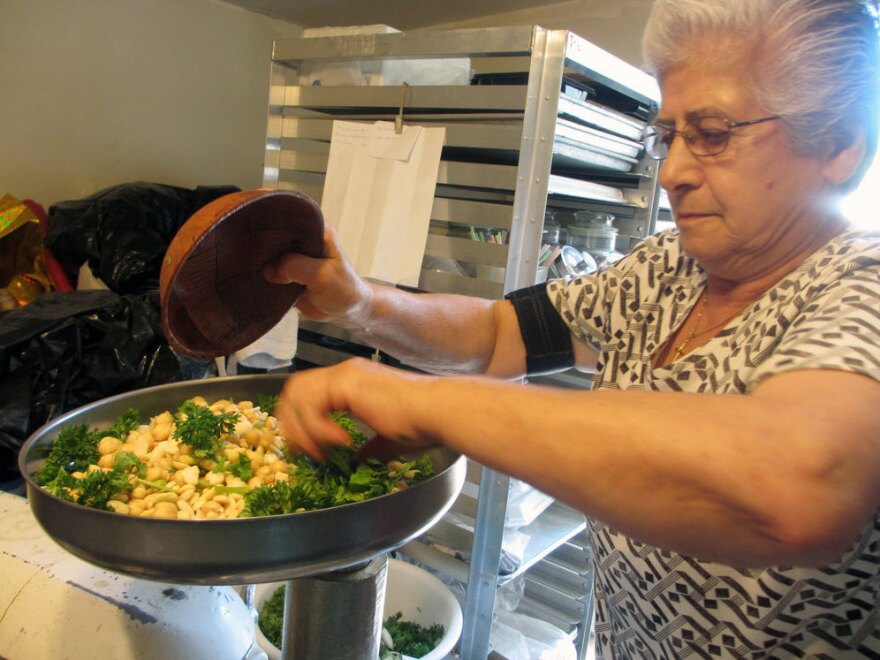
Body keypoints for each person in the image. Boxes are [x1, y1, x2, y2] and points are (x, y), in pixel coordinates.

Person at [264, 0, 880, 655]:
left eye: (714, 131)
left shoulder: (859, 281)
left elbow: (800, 484)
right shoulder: (665, 269)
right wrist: (362, 303)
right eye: (668, 136)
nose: (671, 172)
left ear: (840, 144)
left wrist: (428, 404)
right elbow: (502, 333)